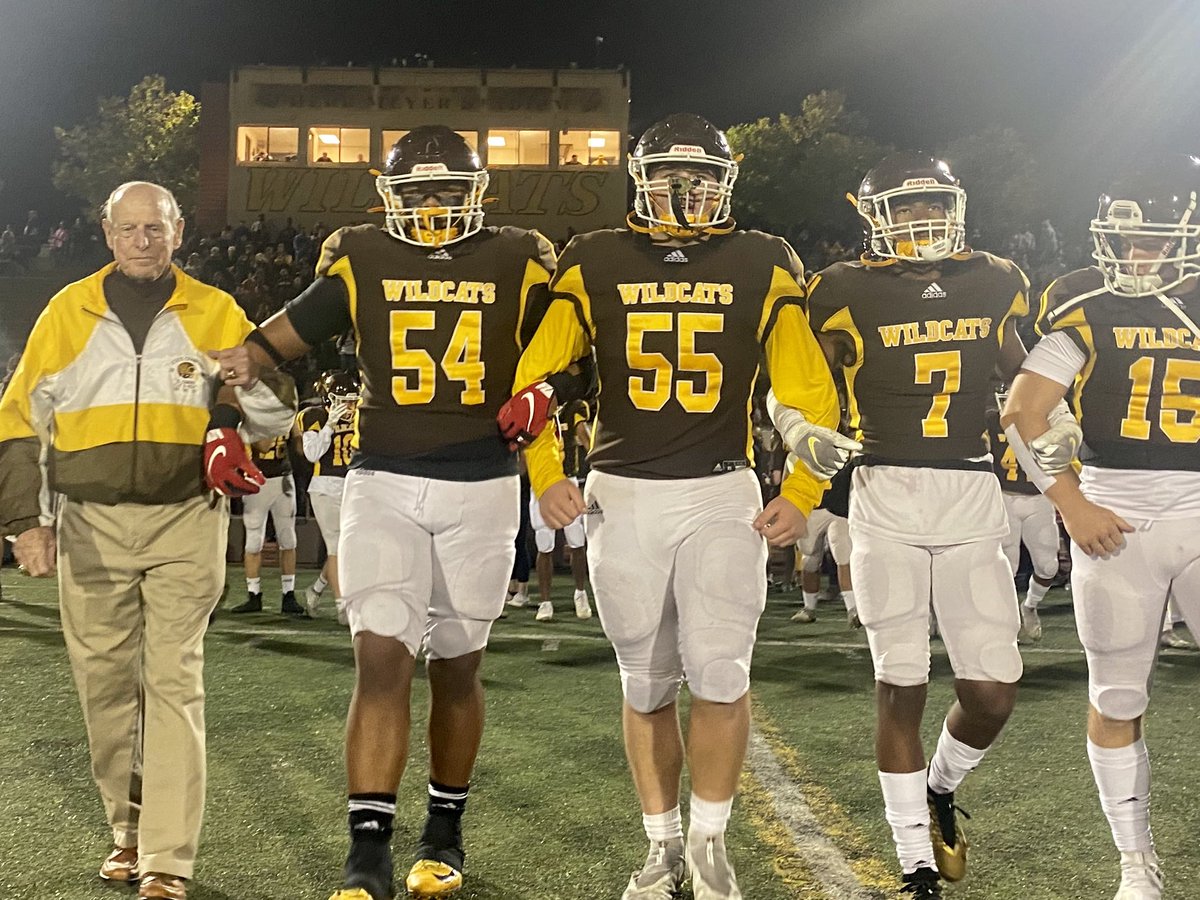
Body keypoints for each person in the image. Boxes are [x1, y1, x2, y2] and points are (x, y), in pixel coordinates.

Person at [217, 125, 566, 900]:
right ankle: (366, 851)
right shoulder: (363, 258)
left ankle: (444, 829)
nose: (436, 207)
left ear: (478, 194)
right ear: (389, 198)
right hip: (382, 480)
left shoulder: (518, 256)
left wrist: (551, 389)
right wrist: (229, 400)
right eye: (418, 193)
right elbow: (264, 347)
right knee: (381, 660)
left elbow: (575, 344)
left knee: (457, 665)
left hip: (481, 482)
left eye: (449, 192)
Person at [503, 113, 840, 900]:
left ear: (726, 186)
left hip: (721, 486)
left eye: (701, 183)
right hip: (620, 491)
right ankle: (660, 846)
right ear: (638, 180)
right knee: (645, 681)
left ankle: (711, 844)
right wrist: (545, 471)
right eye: (667, 180)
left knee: (721, 672)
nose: (684, 196)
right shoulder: (592, 258)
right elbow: (537, 376)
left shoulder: (764, 260)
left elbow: (808, 391)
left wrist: (801, 490)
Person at [0, 181, 295, 900]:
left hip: (185, 518)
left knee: (174, 682)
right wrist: (24, 522)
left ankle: (167, 859)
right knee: (104, 689)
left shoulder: (217, 310)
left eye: (154, 227)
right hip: (90, 522)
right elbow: (18, 419)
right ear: (107, 233)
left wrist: (247, 381)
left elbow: (275, 414)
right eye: (128, 228)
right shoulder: (66, 310)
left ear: (178, 231)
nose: (142, 239)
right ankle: (127, 830)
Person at [776, 152, 1031, 898]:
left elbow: (1024, 377)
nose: (922, 220)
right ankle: (915, 862)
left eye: (932, 205)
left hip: (971, 484)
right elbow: (790, 379)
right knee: (902, 683)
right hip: (883, 486)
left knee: (993, 692)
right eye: (906, 208)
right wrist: (793, 426)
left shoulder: (996, 276)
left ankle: (941, 787)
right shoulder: (838, 289)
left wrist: (1057, 432)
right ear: (874, 217)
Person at [1002, 156, 1200, 900]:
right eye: (1125, 241)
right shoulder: (1084, 302)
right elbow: (1021, 410)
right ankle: (1134, 864)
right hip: (1116, 511)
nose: (1136, 256)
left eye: (1152, 240)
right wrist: (1071, 501)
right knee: (1117, 695)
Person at [985, 385, 1060, 640]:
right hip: (1004, 497)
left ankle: (1029, 606)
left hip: (1039, 497)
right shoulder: (988, 418)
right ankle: (1008, 619)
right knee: (1008, 565)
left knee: (1049, 566)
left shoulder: (1047, 415)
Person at [297, 369, 360, 619]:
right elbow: (312, 454)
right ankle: (342, 606)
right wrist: (329, 427)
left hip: (353, 484)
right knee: (335, 548)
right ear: (328, 399)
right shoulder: (315, 416)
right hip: (325, 487)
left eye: (353, 399)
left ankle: (316, 589)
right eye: (344, 399)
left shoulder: (359, 416)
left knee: (347, 547)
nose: (350, 405)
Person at [528, 399, 594, 621]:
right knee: (543, 544)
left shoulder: (575, 406)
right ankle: (545, 602)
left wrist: (597, 457)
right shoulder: (536, 404)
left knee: (577, 541)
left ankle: (580, 593)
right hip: (543, 482)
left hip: (568, 477)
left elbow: (582, 432)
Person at [232, 433, 305, 615]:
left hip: (283, 477)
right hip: (256, 477)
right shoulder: (254, 416)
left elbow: (301, 448)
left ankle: (289, 594)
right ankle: (254, 594)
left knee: (288, 539)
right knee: (254, 542)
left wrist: (301, 436)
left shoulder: (287, 413)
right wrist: (277, 421)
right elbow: (263, 445)